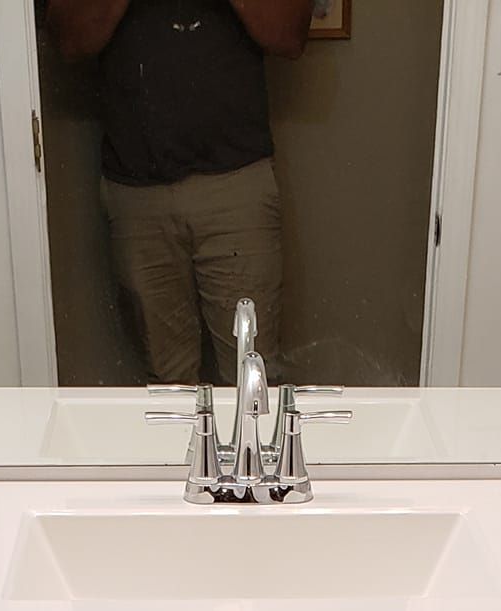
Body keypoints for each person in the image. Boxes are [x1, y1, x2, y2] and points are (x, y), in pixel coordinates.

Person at [47, 0, 312, 383]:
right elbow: (70, 41)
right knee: (167, 385)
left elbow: (290, 36)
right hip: (138, 189)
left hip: (236, 185)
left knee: (252, 380)